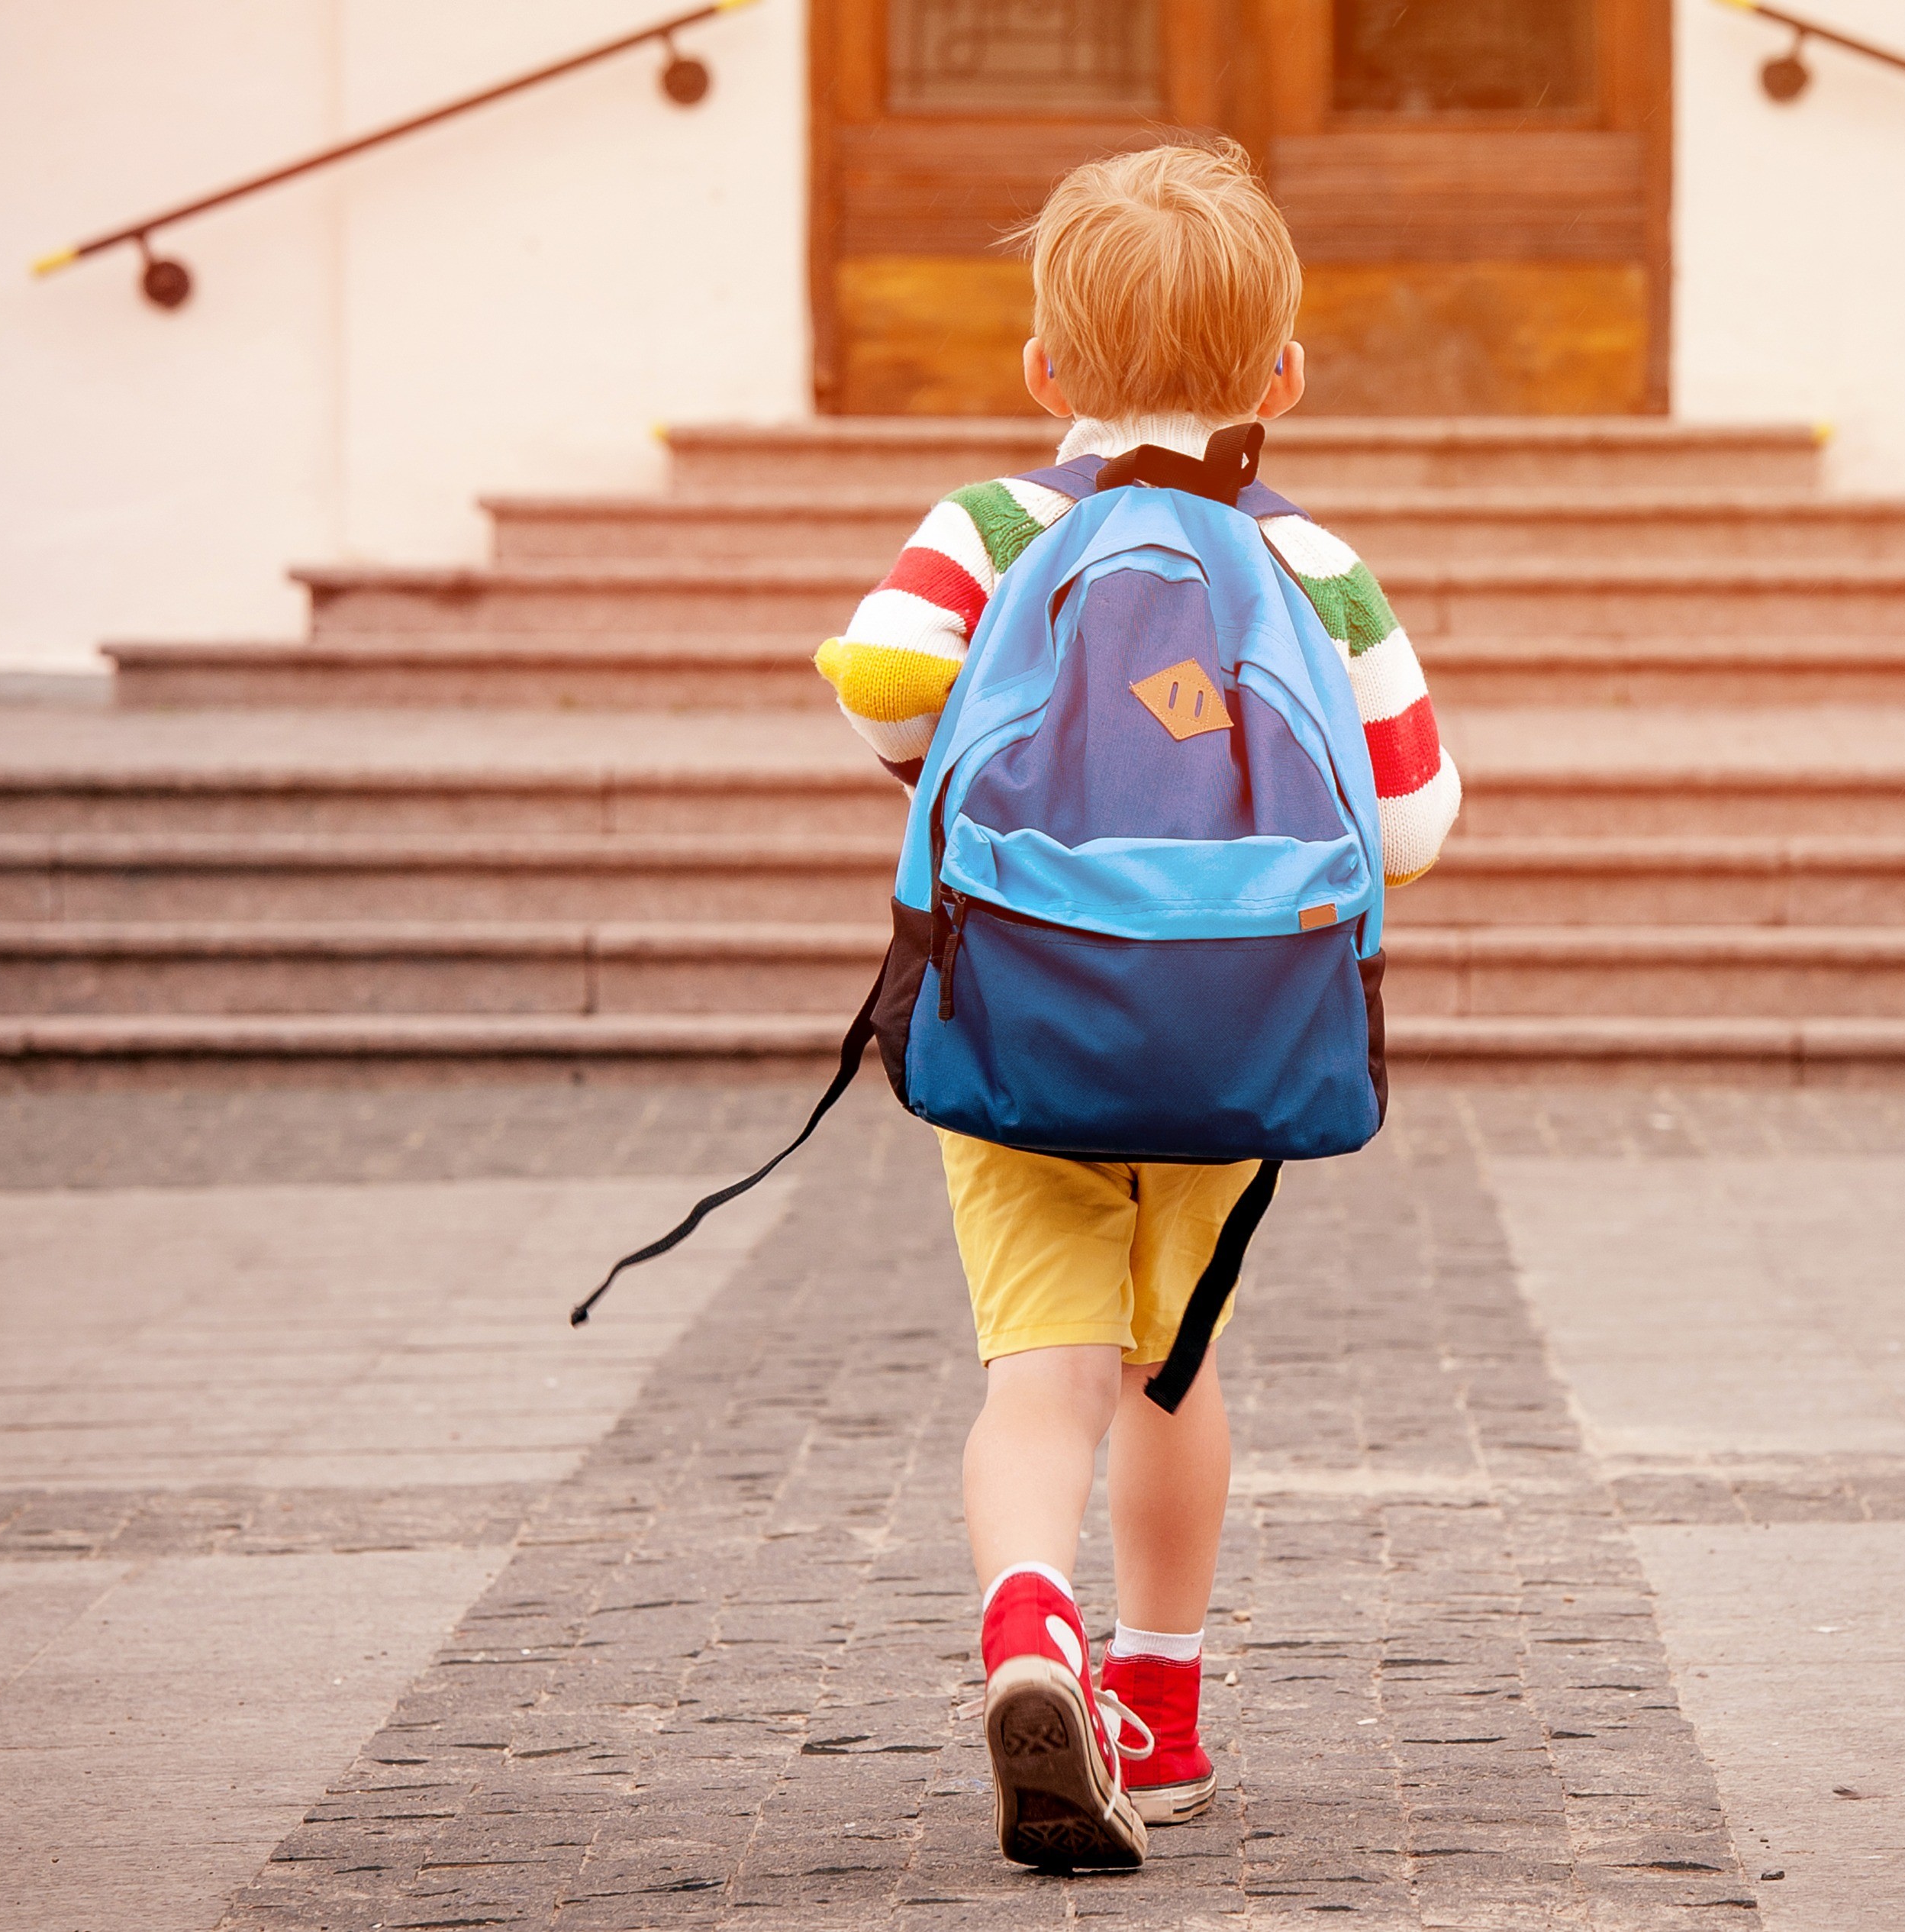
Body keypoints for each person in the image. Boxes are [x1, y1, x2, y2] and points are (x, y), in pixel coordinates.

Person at [808, 140, 1461, 1869]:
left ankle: (1033, 1628)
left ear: (1042, 373)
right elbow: (1411, 820)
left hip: (1016, 1016)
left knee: (1040, 1379)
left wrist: (947, 761)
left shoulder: (994, 525)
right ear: (1283, 376)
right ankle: (1159, 1714)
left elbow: (881, 678)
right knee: (1173, 1372)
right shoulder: (1312, 561)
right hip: (1231, 1036)